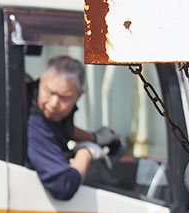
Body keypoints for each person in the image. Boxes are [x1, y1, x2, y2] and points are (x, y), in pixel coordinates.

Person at [26, 55, 122, 200]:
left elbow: (60, 126)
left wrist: (93, 137)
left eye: (64, 98)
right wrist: (86, 152)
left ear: (79, 95)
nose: (53, 104)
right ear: (40, 81)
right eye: (49, 92)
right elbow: (64, 185)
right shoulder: (34, 123)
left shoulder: (45, 109)